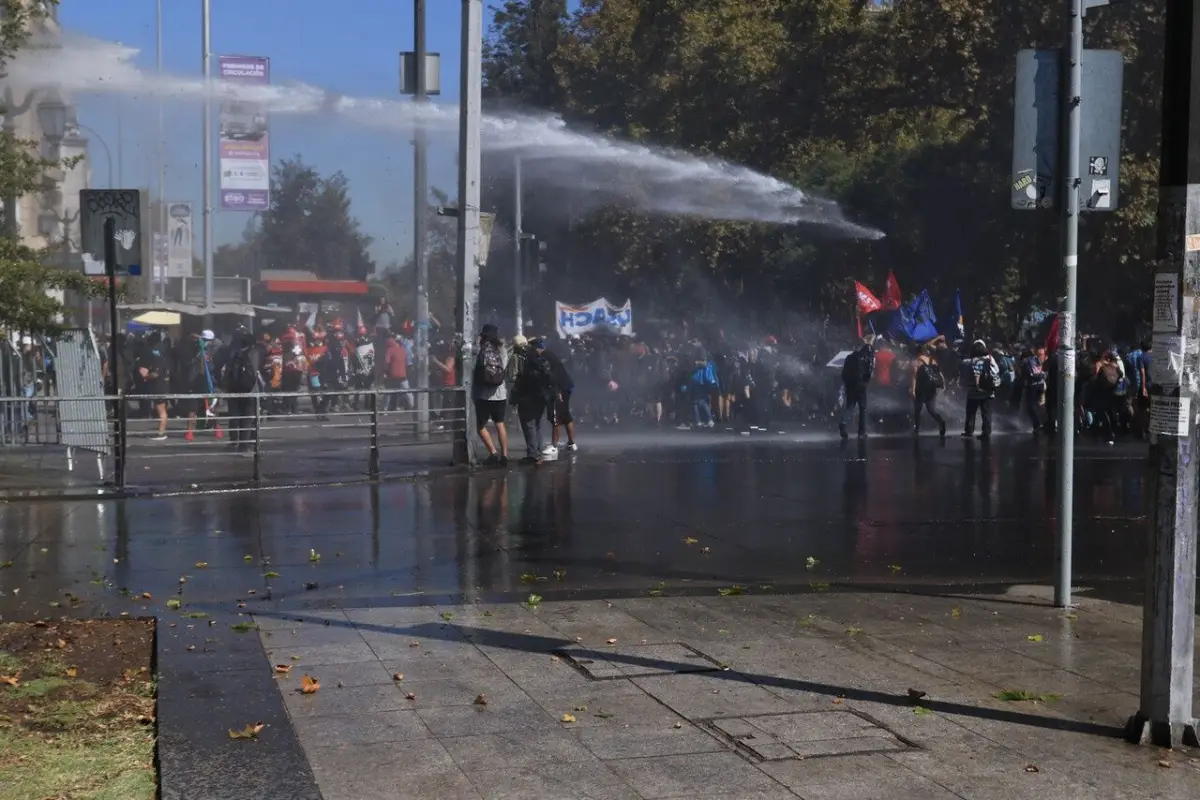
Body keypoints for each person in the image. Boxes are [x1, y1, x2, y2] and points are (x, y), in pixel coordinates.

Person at [221, 329, 265, 451]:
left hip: (234, 390)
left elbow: (226, 372)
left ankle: (233, 441)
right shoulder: (256, 353)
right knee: (247, 418)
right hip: (251, 390)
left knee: (234, 416)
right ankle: (244, 445)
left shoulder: (233, 354)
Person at [473, 324, 509, 465]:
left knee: (480, 425)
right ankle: (504, 455)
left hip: (484, 394)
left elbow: (476, 367)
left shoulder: (482, 349)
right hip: (500, 393)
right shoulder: (502, 350)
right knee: (500, 423)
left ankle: (493, 453)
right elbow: (503, 369)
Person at [536, 338, 578, 452]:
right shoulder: (551, 355)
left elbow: (552, 376)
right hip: (566, 386)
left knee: (556, 416)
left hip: (559, 388)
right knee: (565, 415)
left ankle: (554, 446)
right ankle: (571, 443)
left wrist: (557, 391)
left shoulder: (544, 358)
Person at [839, 336, 875, 439]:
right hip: (861, 386)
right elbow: (869, 369)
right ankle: (861, 431)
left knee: (850, 406)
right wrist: (866, 381)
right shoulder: (864, 357)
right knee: (862, 408)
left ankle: (843, 423)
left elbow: (843, 374)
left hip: (850, 385)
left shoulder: (849, 357)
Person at [963, 339, 999, 440]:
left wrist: (977, 386)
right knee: (986, 412)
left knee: (971, 412)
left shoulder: (973, 360)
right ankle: (986, 431)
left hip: (974, 390)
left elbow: (975, 375)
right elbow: (996, 371)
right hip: (988, 390)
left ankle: (969, 430)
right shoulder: (990, 358)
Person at [911, 346, 947, 437]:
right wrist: (943, 383)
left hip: (921, 389)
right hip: (931, 388)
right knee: (931, 410)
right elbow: (939, 373)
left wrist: (913, 390)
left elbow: (914, 377)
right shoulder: (932, 360)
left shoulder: (916, 362)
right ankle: (940, 421)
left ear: (918, 353)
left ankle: (916, 429)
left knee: (917, 410)